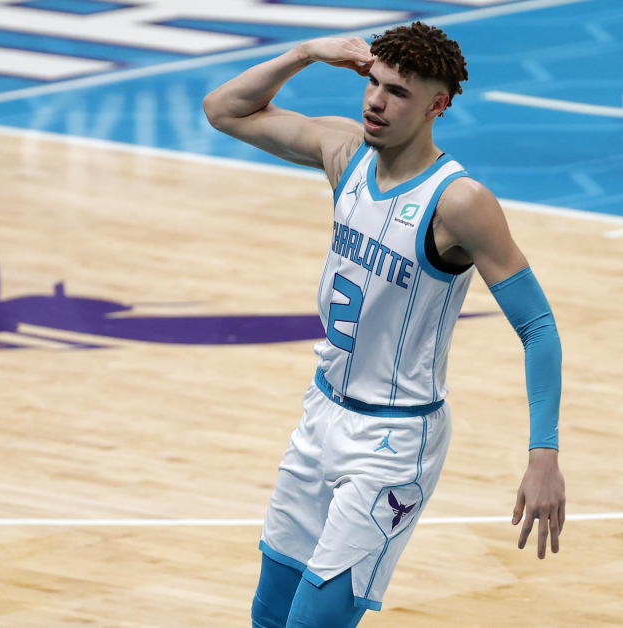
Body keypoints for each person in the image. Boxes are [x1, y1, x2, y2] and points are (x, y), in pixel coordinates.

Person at [203, 22, 565, 627]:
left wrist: (543, 455)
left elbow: (539, 328)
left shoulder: (459, 203)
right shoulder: (343, 152)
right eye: (373, 83)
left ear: (436, 106)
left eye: (397, 92)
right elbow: (223, 110)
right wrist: (304, 52)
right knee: (268, 615)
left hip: (393, 444)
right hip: (321, 416)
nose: (375, 100)